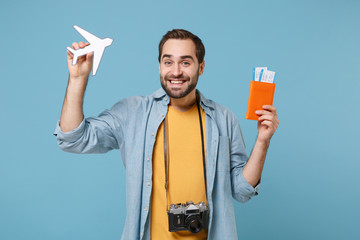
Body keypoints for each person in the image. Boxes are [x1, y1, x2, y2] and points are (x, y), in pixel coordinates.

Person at [54, 29, 279, 240]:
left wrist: (262, 141)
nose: (176, 71)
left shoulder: (223, 119)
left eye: (186, 62)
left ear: (200, 67)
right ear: (159, 66)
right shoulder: (133, 113)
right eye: (168, 61)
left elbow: (242, 191)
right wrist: (77, 79)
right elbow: (73, 139)